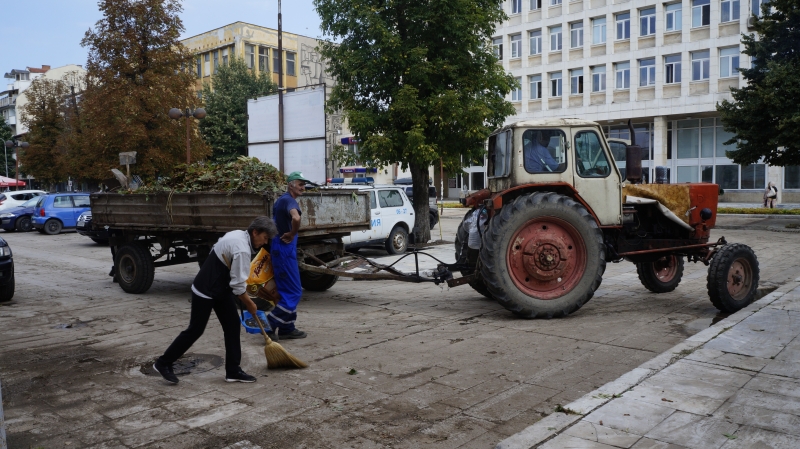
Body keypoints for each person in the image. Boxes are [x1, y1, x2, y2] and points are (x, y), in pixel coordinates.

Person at [153, 216, 278, 384]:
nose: (264, 243)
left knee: (232, 325)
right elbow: (238, 286)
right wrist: (251, 304)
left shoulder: (238, 235)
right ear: (255, 232)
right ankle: (163, 363)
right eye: (264, 238)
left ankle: (233, 371)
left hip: (221, 288)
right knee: (195, 330)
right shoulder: (242, 249)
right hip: (205, 290)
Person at [267, 172, 310, 340]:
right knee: (293, 292)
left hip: (281, 249)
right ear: (291, 184)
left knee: (286, 291)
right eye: (300, 184)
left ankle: (287, 328)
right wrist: (293, 233)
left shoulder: (283, 200)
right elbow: (296, 217)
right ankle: (270, 324)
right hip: (284, 251)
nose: (303, 187)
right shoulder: (289, 200)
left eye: (304, 185)